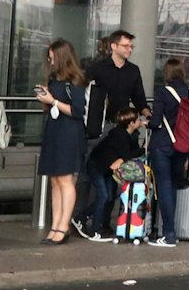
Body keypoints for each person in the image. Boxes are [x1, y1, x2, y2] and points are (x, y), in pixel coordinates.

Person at [81, 30, 147, 240]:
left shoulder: (133, 71)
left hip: (123, 128)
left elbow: (140, 99)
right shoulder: (98, 68)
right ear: (114, 46)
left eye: (131, 46)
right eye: (126, 46)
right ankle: (83, 218)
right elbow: (81, 87)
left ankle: (103, 222)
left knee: (116, 179)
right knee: (93, 174)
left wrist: (146, 115)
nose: (129, 50)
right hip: (101, 128)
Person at [33, 39, 88, 245]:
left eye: (53, 56)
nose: (50, 59)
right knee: (55, 180)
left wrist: (52, 101)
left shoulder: (76, 80)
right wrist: (47, 99)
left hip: (68, 132)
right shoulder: (55, 78)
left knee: (65, 180)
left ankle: (63, 225)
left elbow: (77, 111)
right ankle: (55, 225)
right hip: (55, 129)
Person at [149, 59, 189, 247]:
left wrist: (147, 121)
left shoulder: (163, 92)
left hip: (163, 144)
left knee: (164, 185)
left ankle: (169, 233)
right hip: (183, 146)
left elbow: (155, 121)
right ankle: (169, 231)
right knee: (173, 185)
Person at [88, 107, 148, 242]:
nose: (140, 121)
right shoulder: (119, 135)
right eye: (138, 119)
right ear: (131, 123)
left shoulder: (129, 135)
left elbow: (129, 154)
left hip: (107, 169)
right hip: (97, 166)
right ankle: (95, 229)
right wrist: (141, 150)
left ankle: (101, 223)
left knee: (109, 196)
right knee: (103, 196)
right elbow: (128, 154)